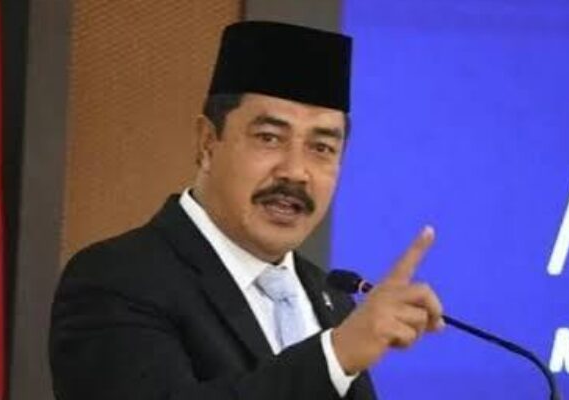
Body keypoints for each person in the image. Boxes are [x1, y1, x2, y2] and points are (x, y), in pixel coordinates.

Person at [49, 21, 444, 400]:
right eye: (269, 138)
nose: (295, 172)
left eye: (322, 148)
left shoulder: (332, 299)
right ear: (207, 143)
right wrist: (335, 356)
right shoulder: (116, 279)